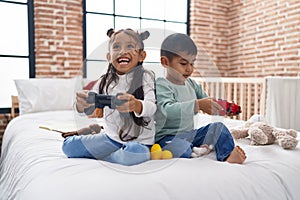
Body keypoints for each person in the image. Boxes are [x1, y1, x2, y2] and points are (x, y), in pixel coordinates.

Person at [62, 28, 156, 166]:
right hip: (111, 138)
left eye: (130, 46)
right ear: (109, 57)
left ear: (141, 55)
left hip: (140, 141)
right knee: (68, 147)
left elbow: (152, 107)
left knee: (134, 153)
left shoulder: (146, 76)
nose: (122, 51)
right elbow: (86, 111)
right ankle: (113, 156)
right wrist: (81, 106)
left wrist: (136, 105)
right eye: (116, 47)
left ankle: (106, 159)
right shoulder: (105, 80)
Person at [154, 33, 246, 164]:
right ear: (165, 62)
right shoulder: (162, 84)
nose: (189, 69)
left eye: (192, 63)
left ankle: (227, 155)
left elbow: (207, 101)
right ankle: (198, 149)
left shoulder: (191, 84)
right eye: (183, 63)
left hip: (190, 134)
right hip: (167, 138)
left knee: (218, 127)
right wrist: (197, 105)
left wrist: (223, 108)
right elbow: (166, 110)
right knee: (181, 149)